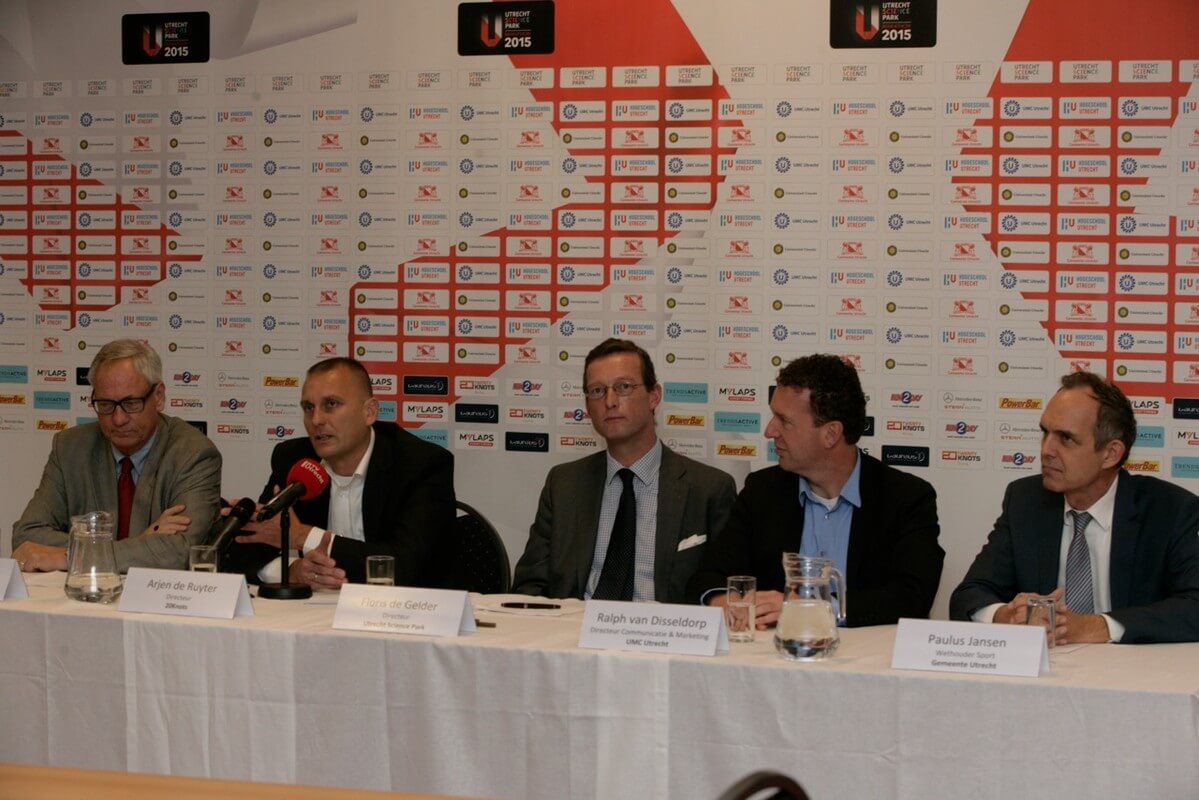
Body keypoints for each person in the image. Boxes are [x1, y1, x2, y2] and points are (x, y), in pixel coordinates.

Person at [687, 353, 943, 626]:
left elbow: (912, 598)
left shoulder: (905, 498)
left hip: (866, 661)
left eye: (784, 421)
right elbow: (708, 578)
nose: (770, 431)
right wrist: (725, 602)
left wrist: (810, 608)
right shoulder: (762, 492)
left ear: (831, 434)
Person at [950, 372, 1199, 644]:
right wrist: (1006, 617)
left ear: (1110, 453)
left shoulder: (1170, 510)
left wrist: (1096, 626)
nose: (1047, 450)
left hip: (1134, 675)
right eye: (1045, 433)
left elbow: (1193, 605)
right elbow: (969, 594)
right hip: (1047, 675)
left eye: (1066, 439)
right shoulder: (1026, 501)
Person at [512, 338, 736, 604]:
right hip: (576, 633)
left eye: (624, 387)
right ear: (587, 406)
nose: (609, 401)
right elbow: (530, 585)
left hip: (662, 637)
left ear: (654, 396)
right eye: (597, 391)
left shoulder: (709, 488)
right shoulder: (564, 484)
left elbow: (726, 590)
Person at [223, 357, 456, 589]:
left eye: (331, 404)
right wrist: (291, 571)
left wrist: (302, 536)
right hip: (320, 614)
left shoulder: (420, 464)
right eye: (308, 407)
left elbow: (403, 566)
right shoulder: (294, 460)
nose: (316, 420)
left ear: (369, 412)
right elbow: (243, 547)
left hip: (406, 614)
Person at [12, 339, 221, 572]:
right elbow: (27, 536)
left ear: (159, 396)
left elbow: (181, 551)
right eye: (106, 404)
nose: (118, 419)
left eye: (131, 403)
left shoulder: (193, 454)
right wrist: (141, 543)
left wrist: (69, 557)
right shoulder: (70, 447)